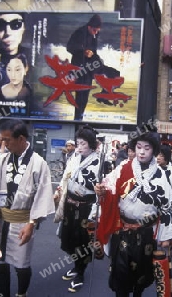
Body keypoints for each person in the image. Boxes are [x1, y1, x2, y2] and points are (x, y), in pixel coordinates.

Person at [95, 130, 172, 297]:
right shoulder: (123, 168)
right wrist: (101, 191)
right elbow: (109, 188)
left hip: (146, 231)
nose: (141, 152)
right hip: (123, 230)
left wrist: (166, 236)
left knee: (141, 274)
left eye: (147, 148)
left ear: (154, 151)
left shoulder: (161, 176)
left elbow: (168, 207)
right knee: (120, 273)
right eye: (139, 147)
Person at [0, 119, 54, 297]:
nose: (4, 144)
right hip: (2, 220)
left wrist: (32, 223)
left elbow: (42, 196)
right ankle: (3, 293)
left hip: (23, 221)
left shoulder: (39, 163)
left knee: (22, 264)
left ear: (21, 138)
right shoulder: (0, 161)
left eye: (7, 140)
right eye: (2, 140)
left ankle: (21, 293)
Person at [54, 125, 101, 293]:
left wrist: (96, 210)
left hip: (85, 207)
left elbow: (102, 189)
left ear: (92, 145)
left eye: (83, 144)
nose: (79, 147)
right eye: (78, 143)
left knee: (83, 241)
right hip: (70, 203)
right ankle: (76, 266)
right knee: (70, 239)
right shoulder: (73, 157)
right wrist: (59, 190)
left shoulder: (100, 162)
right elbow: (66, 177)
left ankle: (81, 273)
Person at [66, 14, 120, 120]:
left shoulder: (95, 33)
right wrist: (83, 52)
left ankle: (103, 96)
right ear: (89, 27)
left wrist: (98, 61)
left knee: (114, 74)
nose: (96, 33)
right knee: (82, 96)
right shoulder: (79, 33)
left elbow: (94, 52)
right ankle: (78, 120)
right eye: (95, 30)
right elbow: (69, 47)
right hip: (80, 68)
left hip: (92, 66)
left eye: (98, 30)